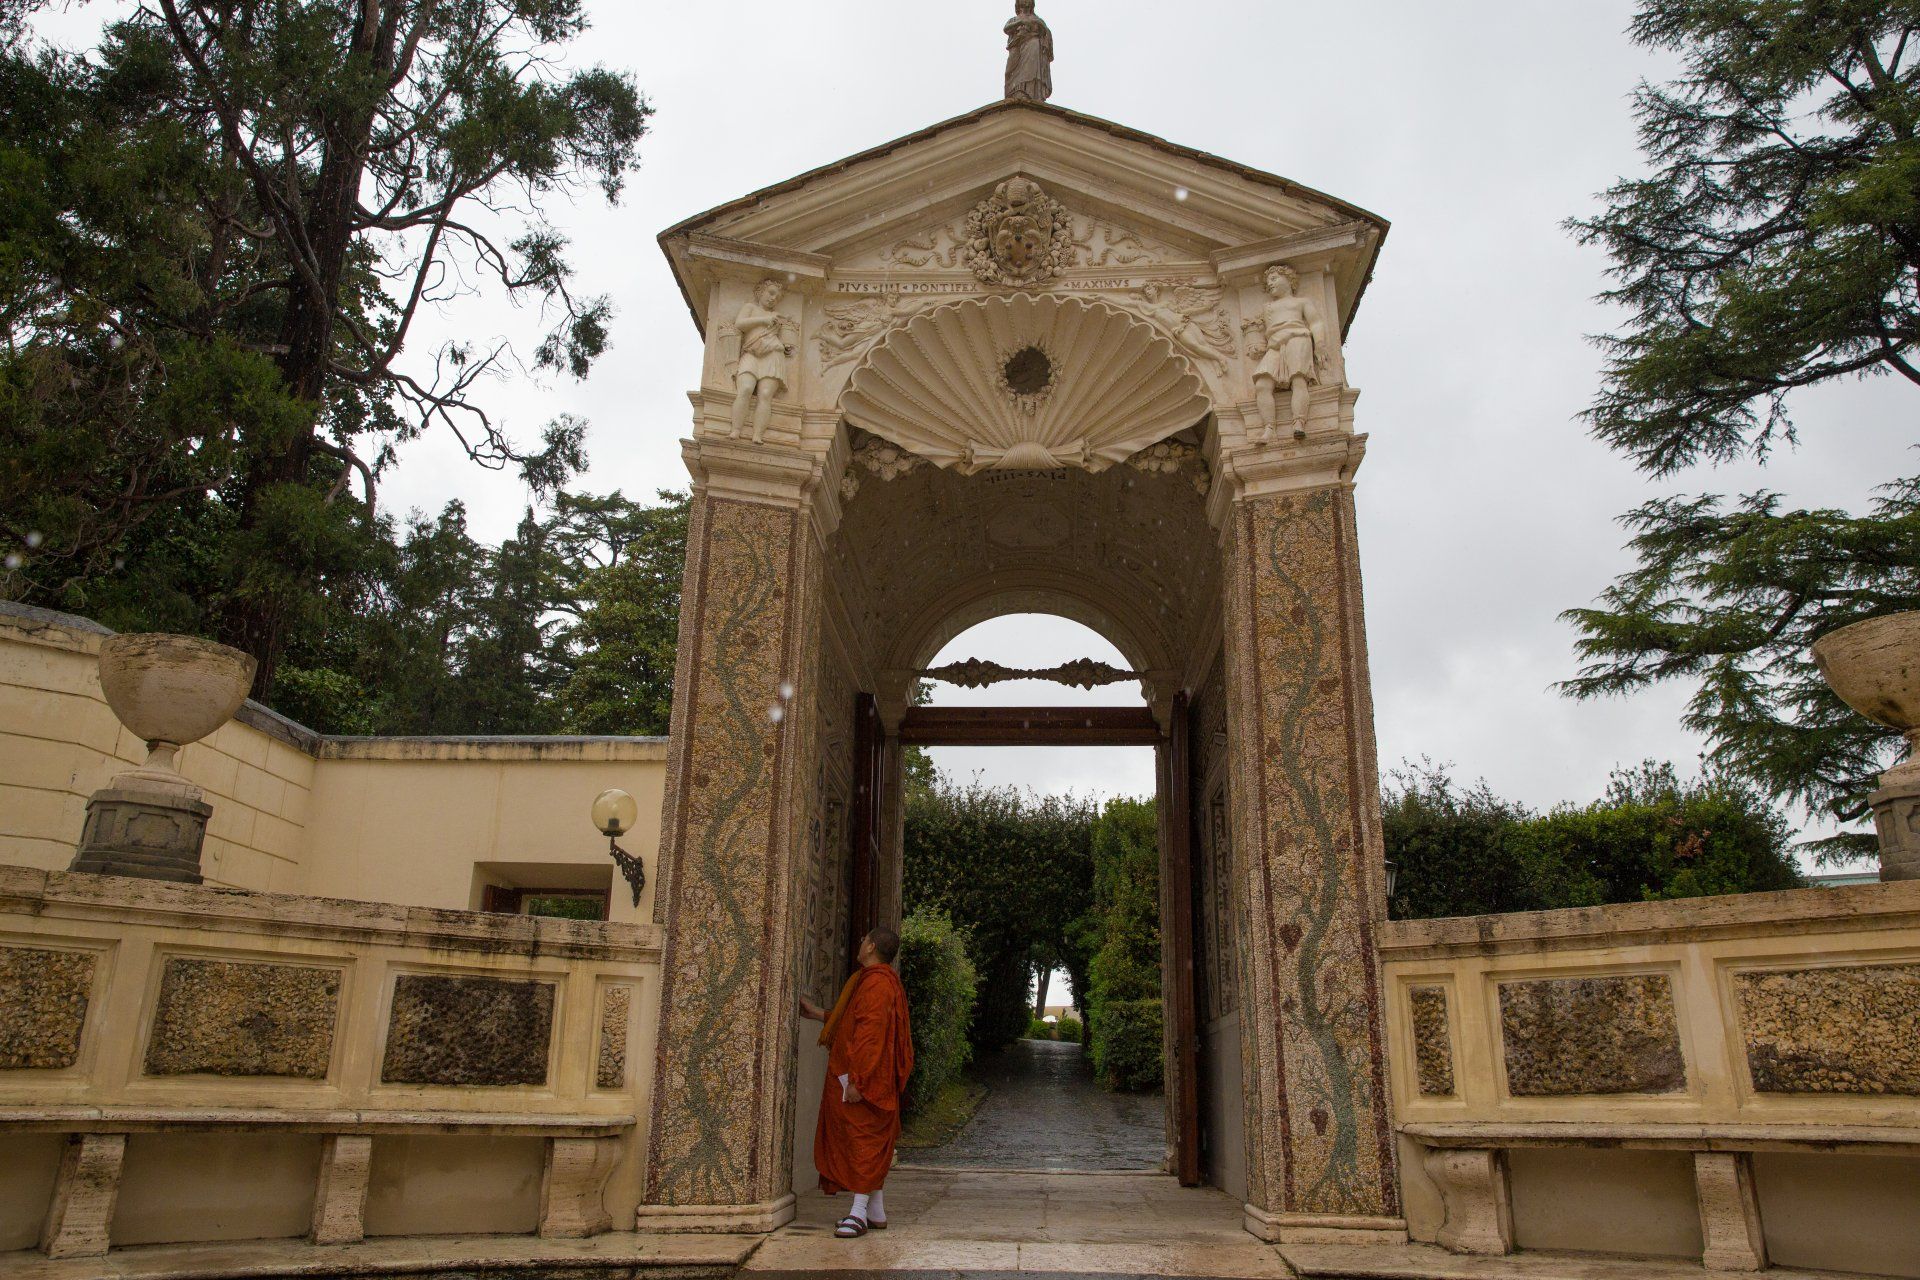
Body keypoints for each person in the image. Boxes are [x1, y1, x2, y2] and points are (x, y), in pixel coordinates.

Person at [798, 926, 914, 1239]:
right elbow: (851, 1021)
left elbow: (870, 1035)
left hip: (868, 1081)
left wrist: (858, 1080)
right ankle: (875, 1210)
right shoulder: (871, 981)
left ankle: (858, 1212)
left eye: (864, 939)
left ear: (872, 946)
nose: (860, 942)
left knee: (863, 1143)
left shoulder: (877, 984)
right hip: (865, 1076)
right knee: (865, 1142)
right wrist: (817, 1014)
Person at [1003, 0, 1053, 103]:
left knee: (1031, 68)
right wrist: (1021, 22)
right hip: (1016, 46)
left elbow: (1046, 33)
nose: (1025, 2)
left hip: (1033, 44)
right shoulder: (1014, 19)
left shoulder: (1037, 20)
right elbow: (1006, 29)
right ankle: (1014, 91)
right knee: (1010, 70)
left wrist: (1041, 28)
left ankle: (1031, 93)